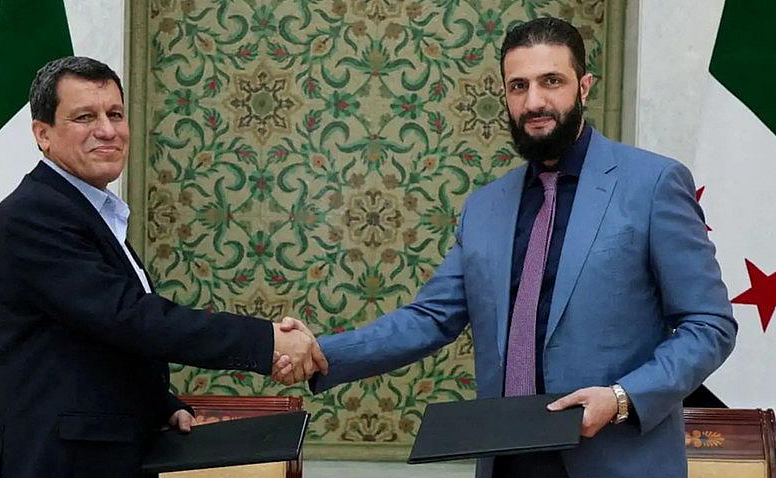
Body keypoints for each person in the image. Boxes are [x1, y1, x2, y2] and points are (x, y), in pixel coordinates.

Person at [276, 17, 736, 478]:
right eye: (519, 86)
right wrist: (320, 352)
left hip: (614, 459)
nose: (534, 102)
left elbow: (709, 324)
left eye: (551, 81)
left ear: (584, 87)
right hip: (506, 460)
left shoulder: (653, 184)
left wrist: (621, 399)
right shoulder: (484, 207)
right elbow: (430, 318)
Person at [0, 56, 326, 478]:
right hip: (45, 461)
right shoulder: (32, 216)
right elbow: (128, 318)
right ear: (43, 134)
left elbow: (96, 344)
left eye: (115, 114)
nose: (107, 130)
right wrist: (266, 342)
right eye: (85, 117)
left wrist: (159, 405)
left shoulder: (86, 210)